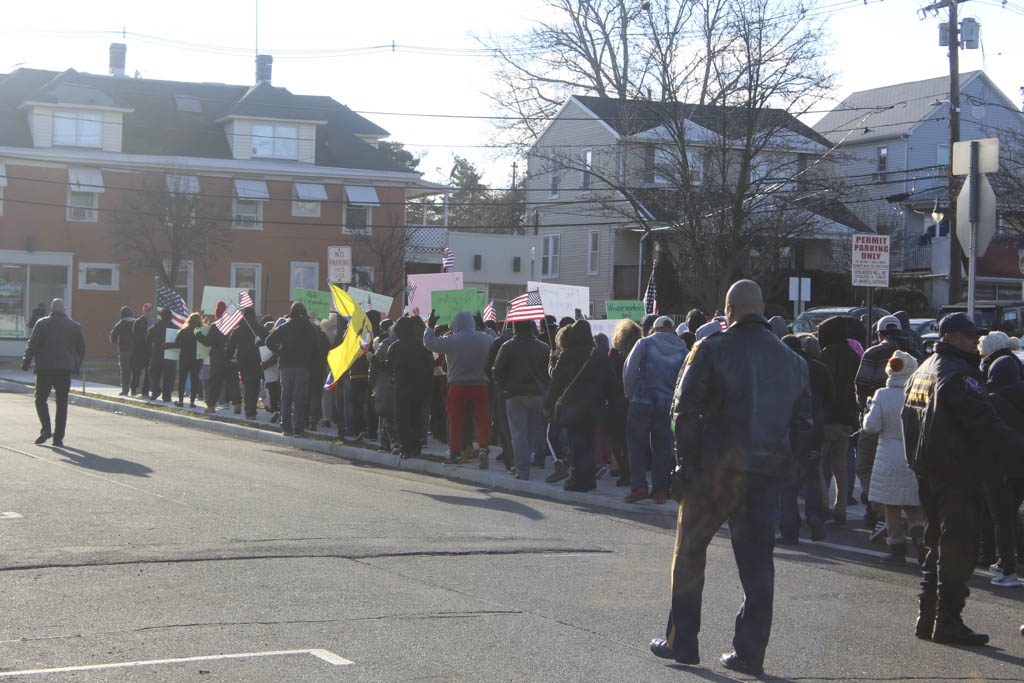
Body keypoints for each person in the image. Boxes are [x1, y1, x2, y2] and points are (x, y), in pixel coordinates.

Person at [650, 280, 811, 676]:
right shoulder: (794, 361)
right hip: (765, 474)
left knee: (689, 556)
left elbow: (682, 411)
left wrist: (682, 464)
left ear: (729, 311)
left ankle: (683, 642)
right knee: (758, 568)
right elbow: (805, 426)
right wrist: (790, 470)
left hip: (713, 472)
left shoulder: (710, 349)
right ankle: (750, 652)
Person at [902, 312, 1024, 645]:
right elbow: (984, 423)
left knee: (937, 545)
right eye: (970, 336)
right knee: (959, 548)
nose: (976, 341)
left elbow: (908, 421)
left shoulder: (923, 370)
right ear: (951, 337)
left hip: (929, 470)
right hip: (957, 472)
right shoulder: (959, 375)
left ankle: (928, 617)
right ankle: (948, 621)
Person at [862, 350, 926, 564]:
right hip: (913, 455)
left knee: (892, 507)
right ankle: (920, 540)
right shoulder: (919, 393)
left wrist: (868, 410)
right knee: (914, 505)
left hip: (888, 455)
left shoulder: (882, 394)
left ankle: (896, 549)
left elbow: (872, 426)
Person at [622, 316, 688, 504]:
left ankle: (639, 486)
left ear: (655, 329)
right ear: (673, 330)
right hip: (667, 405)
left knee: (636, 444)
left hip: (642, 401)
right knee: (663, 447)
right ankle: (660, 490)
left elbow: (629, 371)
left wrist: (630, 394)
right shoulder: (683, 350)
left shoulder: (644, 343)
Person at [543, 320, 614, 492]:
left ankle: (578, 480)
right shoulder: (599, 355)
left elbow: (557, 382)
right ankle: (589, 479)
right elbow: (610, 381)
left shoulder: (568, 354)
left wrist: (548, 404)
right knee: (589, 444)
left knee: (577, 444)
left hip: (573, 407)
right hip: (595, 406)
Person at [777, 334, 832, 544]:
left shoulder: (782, 370)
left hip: (789, 431)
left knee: (788, 484)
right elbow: (829, 399)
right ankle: (814, 515)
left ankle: (790, 530)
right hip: (814, 429)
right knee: (812, 476)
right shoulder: (819, 368)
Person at [424, 311, 496, 468]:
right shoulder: (485, 339)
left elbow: (429, 343)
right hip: (481, 385)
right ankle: (483, 446)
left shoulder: (451, 340)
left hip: (458, 386)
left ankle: (455, 453)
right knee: (482, 419)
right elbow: (497, 340)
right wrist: (484, 327)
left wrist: (430, 326)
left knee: (456, 421)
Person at [855, 315, 906, 527]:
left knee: (866, 465)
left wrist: (864, 408)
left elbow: (861, 383)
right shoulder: (915, 353)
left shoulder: (873, 353)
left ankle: (882, 512)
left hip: (876, 415)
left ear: (880, 333)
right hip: (907, 421)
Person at [982, 356, 1024, 587]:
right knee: (1012, 513)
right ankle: (1005, 562)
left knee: (1002, 519)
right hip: (1021, 467)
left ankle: (1007, 569)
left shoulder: (992, 400)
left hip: (999, 467)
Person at [21, 299, 85, 447]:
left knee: (40, 399)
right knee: (62, 403)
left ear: (50, 310)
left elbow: (33, 344)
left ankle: (46, 429)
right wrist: (75, 364)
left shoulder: (42, 323)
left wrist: (26, 361)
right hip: (64, 370)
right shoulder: (75, 326)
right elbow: (81, 348)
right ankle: (58, 438)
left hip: (45, 368)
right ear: (65, 310)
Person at [492, 320, 550, 480]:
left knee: (518, 433)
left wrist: (504, 387)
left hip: (514, 394)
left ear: (515, 328)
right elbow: (549, 373)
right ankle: (529, 459)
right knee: (532, 432)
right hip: (537, 394)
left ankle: (522, 470)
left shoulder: (507, 346)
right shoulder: (544, 347)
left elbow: (496, 372)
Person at [818, 315, 860, 525]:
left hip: (827, 418)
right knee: (840, 466)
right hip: (846, 418)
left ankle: (823, 505)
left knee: (818, 465)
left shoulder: (828, 354)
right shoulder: (853, 355)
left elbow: (825, 386)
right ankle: (841, 507)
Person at [266, 301, 319, 437]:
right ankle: (298, 428)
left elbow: (269, 341)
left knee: (286, 397)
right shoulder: (310, 328)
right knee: (300, 398)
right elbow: (316, 348)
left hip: (286, 367)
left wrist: (280, 352)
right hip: (303, 367)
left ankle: (286, 427)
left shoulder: (285, 326)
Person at [387, 315, 434, 458]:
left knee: (403, 420)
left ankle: (406, 448)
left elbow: (389, 368)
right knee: (416, 418)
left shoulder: (395, 346)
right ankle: (416, 446)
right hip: (421, 388)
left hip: (402, 388)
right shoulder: (423, 346)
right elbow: (430, 367)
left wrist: (375, 362)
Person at [226, 308, 266, 419]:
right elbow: (268, 343)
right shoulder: (261, 330)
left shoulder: (238, 330)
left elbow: (230, 345)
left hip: (244, 362)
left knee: (248, 387)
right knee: (255, 386)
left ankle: (250, 410)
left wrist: (228, 357)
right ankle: (252, 409)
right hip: (258, 361)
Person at [146, 308, 177, 402]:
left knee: (154, 374)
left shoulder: (156, 327)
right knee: (169, 376)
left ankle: (155, 392)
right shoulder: (174, 327)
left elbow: (148, 338)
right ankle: (166, 395)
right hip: (170, 355)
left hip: (157, 354)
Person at [172, 312, 202, 408]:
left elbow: (177, 344)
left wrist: (166, 345)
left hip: (184, 358)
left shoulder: (184, 331)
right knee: (194, 380)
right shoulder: (201, 332)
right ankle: (192, 402)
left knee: (182, 380)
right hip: (197, 359)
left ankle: (181, 401)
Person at [129, 303, 154, 396]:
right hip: (139, 351)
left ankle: (145, 390)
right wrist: (148, 336)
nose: (148, 313)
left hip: (149, 352)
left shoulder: (153, 323)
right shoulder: (138, 322)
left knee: (148, 373)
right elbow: (137, 337)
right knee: (137, 372)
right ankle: (134, 389)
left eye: (150, 311)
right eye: (146, 311)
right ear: (143, 311)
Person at [110, 306, 135, 395]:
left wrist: (115, 341)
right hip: (135, 351)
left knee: (125, 371)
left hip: (124, 351)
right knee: (135, 370)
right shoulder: (135, 323)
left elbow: (113, 336)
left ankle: (125, 390)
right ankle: (135, 389)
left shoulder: (120, 324)